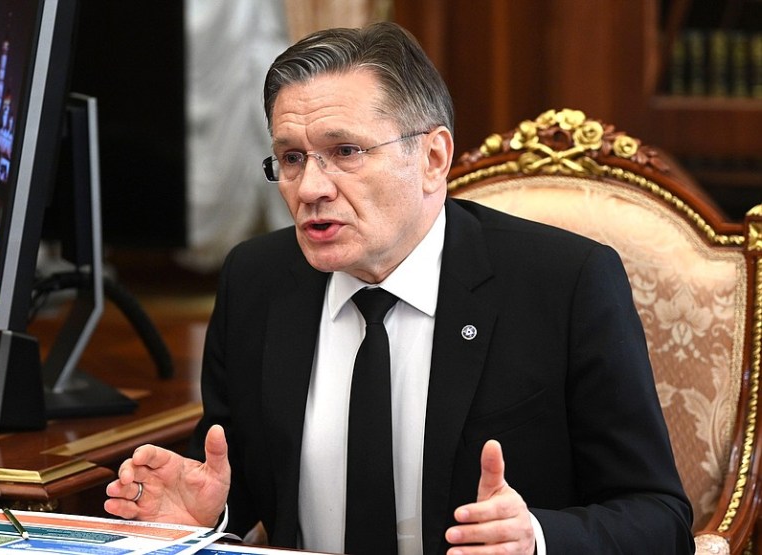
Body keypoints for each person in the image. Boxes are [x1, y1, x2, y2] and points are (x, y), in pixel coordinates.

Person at [106, 21, 694, 554]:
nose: (310, 188)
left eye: (345, 152)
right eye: (291, 158)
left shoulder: (563, 284)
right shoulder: (256, 280)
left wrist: (536, 539)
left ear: (432, 158)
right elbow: (239, 480)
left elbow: (659, 517)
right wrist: (210, 515)